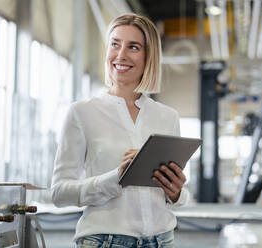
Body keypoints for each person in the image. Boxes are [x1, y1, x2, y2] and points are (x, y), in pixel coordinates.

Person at [51, 13, 189, 248]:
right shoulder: (81, 113)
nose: (121, 55)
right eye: (115, 44)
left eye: (133, 47)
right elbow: (59, 193)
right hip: (104, 241)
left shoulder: (168, 117)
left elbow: (177, 196)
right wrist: (116, 177)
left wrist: (176, 192)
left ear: (149, 57)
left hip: (162, 240)